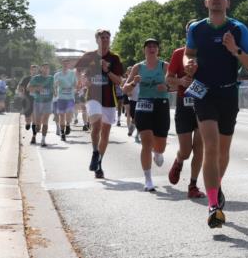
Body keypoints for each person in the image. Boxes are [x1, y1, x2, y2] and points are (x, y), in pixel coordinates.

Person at [183, 0, 248, 228]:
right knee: (211, 146)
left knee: (223, 151)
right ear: (205, 2)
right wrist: (188, 64)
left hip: (228, 93)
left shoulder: (238, 29)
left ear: (228, 2)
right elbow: (188, 53)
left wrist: (234, 50)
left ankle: (215, 185)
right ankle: (213, 205)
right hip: (203, 93)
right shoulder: (196, 28)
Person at [75, 28, 125, 178]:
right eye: (102, 37)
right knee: (96, 125)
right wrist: (82, 80)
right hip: (93, 97)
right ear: (96, 40)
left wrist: (107, 71)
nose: (105, 40)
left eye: (107, 37)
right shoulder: (89, 56)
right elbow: (78, 70)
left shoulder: (114, 58)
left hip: (109, 99)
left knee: (105, 133)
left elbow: (119, 81)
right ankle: (95, 152)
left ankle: (99, 163)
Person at [123, 38, 170, 191]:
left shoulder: (164, 66)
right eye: (149, 46)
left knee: (160, 146)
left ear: (158, 50)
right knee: (146, 143)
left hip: (161, 104)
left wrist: (167, 87)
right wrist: (134, 83)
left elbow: (175, 83)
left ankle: (158, 152)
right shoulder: (138, 67)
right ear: (144, 50)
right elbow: (125, 89)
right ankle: (148, 180)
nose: (151, 48)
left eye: (154, 46)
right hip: (143, 104)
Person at [166, 23, 205, 199]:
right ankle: (179, 160)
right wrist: (181, 82)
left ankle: (193, 185)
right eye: (191, 32)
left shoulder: (207, 52)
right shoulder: (178, 53)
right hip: (184, 103)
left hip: (203, 103)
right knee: (186, 149)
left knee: (199, 147)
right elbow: (168, 79)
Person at [28, 64, 54, 147]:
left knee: (45, 120)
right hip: (38, 102)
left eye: (48, 68)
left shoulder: (51, 78)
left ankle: (43, 140)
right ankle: (34, 135)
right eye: (45, 68)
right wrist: (37, 88)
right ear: (41, 69)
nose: (46, 70)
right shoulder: (36, 78)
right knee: (38, 125)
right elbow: (28, 88)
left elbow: (54, 87)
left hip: (48, 102)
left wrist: (55, 92)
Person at [53, 61, 76, 141]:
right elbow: (54, 86)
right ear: (62, 64)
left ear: (69, 65)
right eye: (64, 63)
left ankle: (68, 125)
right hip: (61, 98)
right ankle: (62, 133)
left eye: (67, 63)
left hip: (70, 98)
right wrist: (56, 89)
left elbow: (75, 84)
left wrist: (73, 86)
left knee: (69, 114)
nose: (65, 65)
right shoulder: (57, 75)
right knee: (61, 116)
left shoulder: (72, 74)